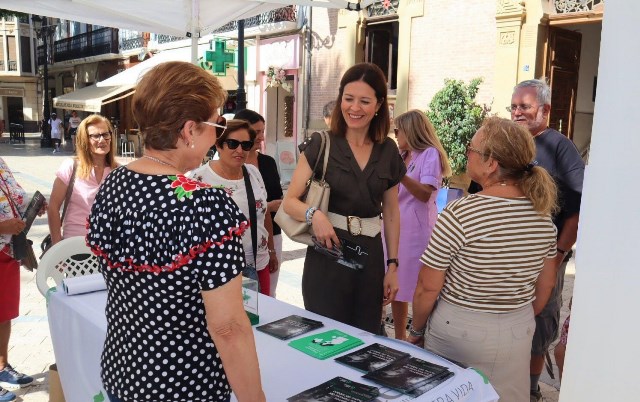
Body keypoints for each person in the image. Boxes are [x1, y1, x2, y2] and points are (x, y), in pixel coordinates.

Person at [86, 61, 265, 402]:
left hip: (125, 372)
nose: (219, 133)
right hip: (183, 385)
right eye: (217, 123)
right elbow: (228, 327)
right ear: (188, 130)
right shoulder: (204, 204)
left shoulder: (115, 184)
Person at [408, 117, 559, 401]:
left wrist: (416, 330)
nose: (466, 153)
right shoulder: (542, 216)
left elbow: (427, 287)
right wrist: (514, 313)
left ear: (492, 163)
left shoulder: (460, 214)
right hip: (517, 328)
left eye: (471, 148)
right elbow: (546, 285)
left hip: (461, 330)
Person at [282, 62, 405, 334]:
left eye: (364, 101)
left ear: (378, 105)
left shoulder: (388, 151)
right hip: (328, 255)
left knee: (366, 337)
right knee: (323, 337)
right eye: (348, 99)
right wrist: (315, 215)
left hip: (370, 258)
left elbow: (393, 212)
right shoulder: (321, 143)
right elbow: (290, 201)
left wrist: (393, 265)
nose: (354, 108)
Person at [509, 79, 585, 402]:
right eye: (513, 107)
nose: (516, 113)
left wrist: (557, 255)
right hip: (508, 253)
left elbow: (577, 211)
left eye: (524, 106)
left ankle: (530, 389)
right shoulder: (509, 145)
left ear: (545, 110)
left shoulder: (560, 148)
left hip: (545, 256)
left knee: (539, 324)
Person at [191, 119, 276, 296]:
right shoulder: (199, 179)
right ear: (218, 145)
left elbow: (263, 213)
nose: (239, 150)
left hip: (258, 262)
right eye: (232, 144)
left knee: (261, 319)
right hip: (221, 270)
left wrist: (272, 250)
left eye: (246, 145)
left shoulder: (253, 172)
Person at [387, 110, 451, 340]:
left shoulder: (429, 154)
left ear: (411, 131)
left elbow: (425, 193)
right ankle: (399, 338)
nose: (394, 134)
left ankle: (419, 336)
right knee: (397, 288)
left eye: (398, 130)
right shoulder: (405, 155)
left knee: (417, 287)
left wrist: (400, 174)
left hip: (416, 233)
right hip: (397, 231)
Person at [0, 157, 43, 402]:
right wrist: (2, 226)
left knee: (4, 314)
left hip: (8, 251)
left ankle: (2, 366)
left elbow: (15, 196)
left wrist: (34, 206)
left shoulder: (1, 163)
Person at [234, 109, 283, 296]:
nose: (261, 137)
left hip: (271, 232)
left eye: (263, 131)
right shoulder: (211, 173)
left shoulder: (267, 163)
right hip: (239, 241)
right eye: (256, 131)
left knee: (268, 293)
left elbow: (276, 196)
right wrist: (265, 207)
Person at [47, 115, 117, 245]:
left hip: (108, 247)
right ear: (84, 140)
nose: (102, 139)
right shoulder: (71, 166)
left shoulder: (118, 172)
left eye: (105, 134)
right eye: (95, 136)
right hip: (75, 244)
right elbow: (53, 207)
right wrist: (56, 248)